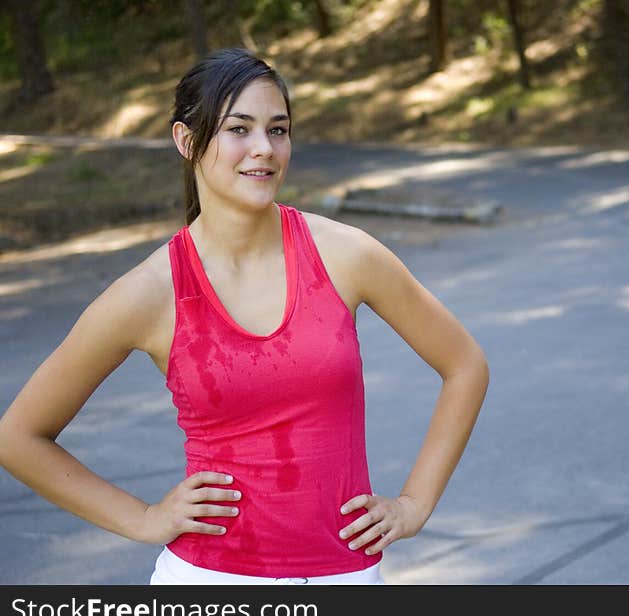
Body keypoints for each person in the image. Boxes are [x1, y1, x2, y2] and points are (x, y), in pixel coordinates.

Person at [0, 48, 489, 585]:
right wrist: (144, 519)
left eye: (278, 130)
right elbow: (19, 437)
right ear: (186, 141)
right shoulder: (150, 292)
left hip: (345, 577)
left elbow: (464, 364)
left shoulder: (346, 255)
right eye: (239, 128)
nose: (264, 149)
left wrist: (415, 503)